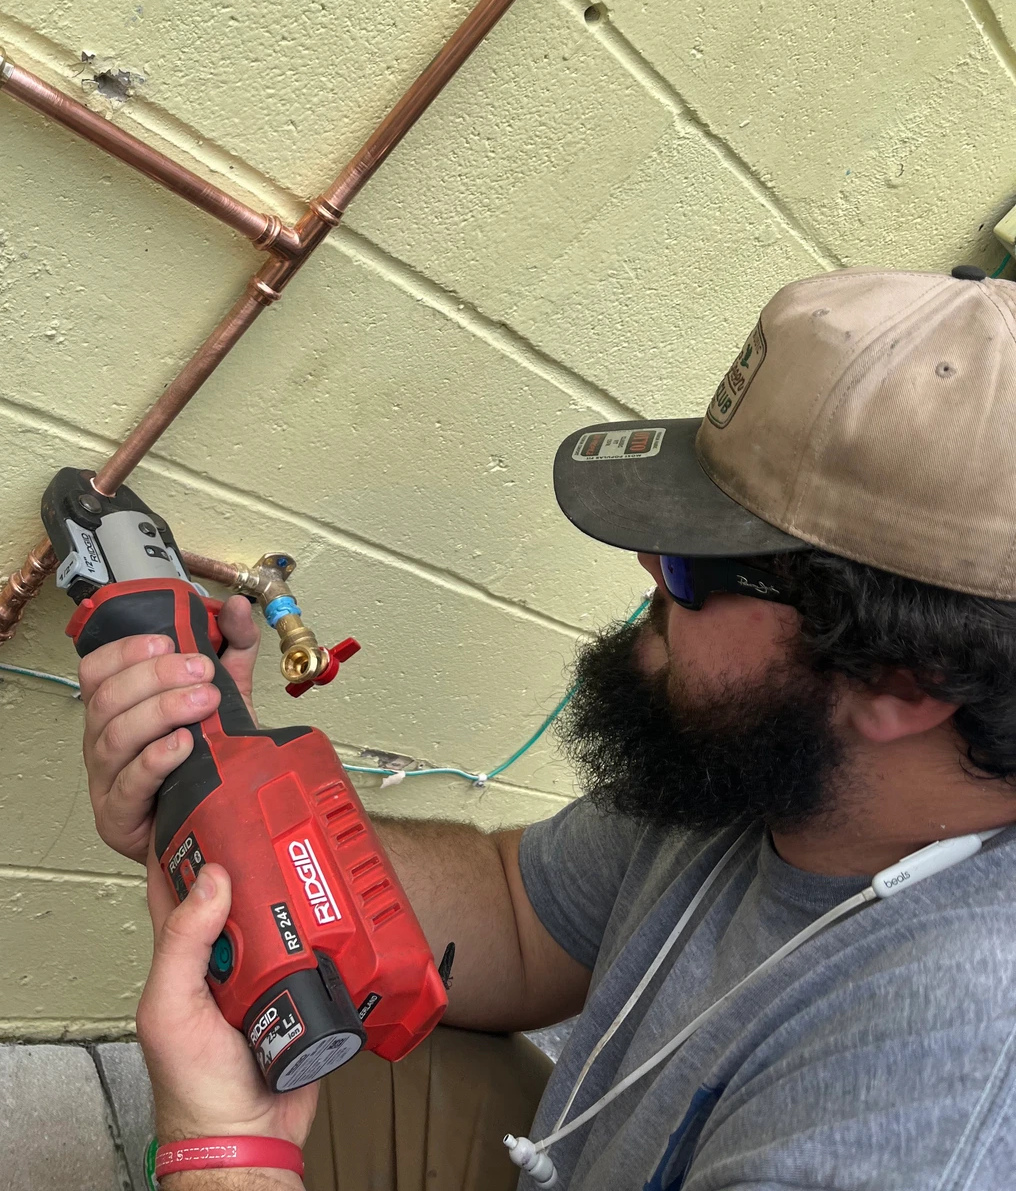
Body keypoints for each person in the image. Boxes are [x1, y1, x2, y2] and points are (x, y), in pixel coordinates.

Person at [94, 267, 1016, 1189]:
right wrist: (226, 797)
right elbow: (517, 915)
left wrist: (226, 1159)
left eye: (703, 561)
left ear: (901, 677)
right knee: (337, 1046)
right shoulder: (769, 769)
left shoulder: (934, 1107)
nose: (651, 563)